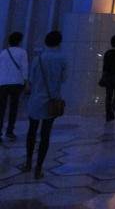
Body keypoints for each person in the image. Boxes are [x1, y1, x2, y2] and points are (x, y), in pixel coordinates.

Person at [22, 30, 67, 179]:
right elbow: (64, 78)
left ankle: (28, 162)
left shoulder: (38, 58)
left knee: (32, 131)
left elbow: (32, 79)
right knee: (45, 134)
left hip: (36, 99)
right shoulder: (62, 58)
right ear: (59, 42)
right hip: (52, 101)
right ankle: (39, 168)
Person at [0, 31, 28, 142]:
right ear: (19, 41)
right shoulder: (22, 52)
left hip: (3, 82)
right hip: (16, 82)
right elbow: (24, 68)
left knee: (1, 108)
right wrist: (26, 81)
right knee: (13, 107)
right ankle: (10, 131)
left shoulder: (3, 52)